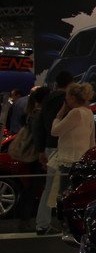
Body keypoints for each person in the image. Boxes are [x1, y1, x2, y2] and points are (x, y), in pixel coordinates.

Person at [46, 82, 96, 219]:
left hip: (69, 160)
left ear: (73, 98)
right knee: (76, 195)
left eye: (67, 97)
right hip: (81, 160)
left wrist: (59, 115)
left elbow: (55, 131)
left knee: (64, 195)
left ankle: (65, 223)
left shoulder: (75, 112)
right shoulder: (88, 112)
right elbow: (92, 139)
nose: (66, 100)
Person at [33, 70, 73, 235]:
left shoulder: (47, 99)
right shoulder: (67, 101)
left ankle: (43, 224)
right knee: (65, 187)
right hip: (63, 148)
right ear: (70, 84)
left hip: (49, 147)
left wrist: (41, 149)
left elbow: (39, 126)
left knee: (50, 187)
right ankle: (60, 224)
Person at [14, 87, 49, 232]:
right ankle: (24, 220)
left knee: (32, 187)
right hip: (36, 156)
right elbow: (38, 137)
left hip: (33, 155)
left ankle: (25, 219)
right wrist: (42, 152)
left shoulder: (30, 113)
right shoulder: (38, 115)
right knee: (33, 187)